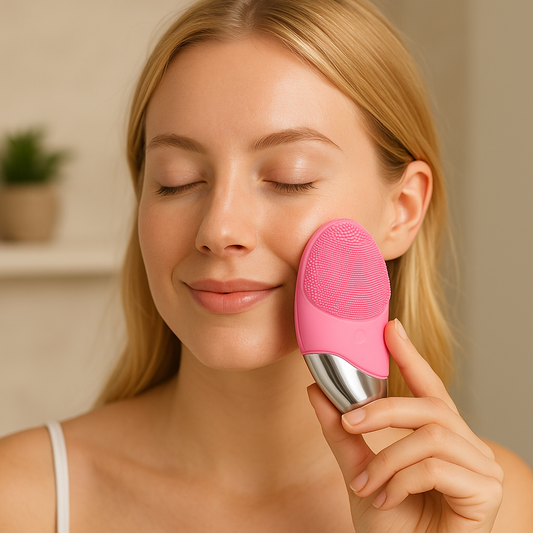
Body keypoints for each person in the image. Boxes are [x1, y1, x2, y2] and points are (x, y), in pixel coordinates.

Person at [1, 0, 532, 531]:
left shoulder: (486, 505)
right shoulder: (21, 499)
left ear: (403, 210)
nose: (218, 230)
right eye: (177, 180)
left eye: (289, 178)